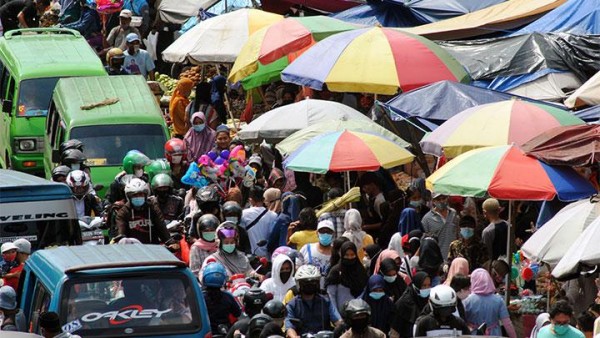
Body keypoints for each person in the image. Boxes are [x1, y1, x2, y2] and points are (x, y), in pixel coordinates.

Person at [285, 265, 343, 337]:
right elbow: (289, 328)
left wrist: (341, 328)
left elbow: (338, 321)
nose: (310, 285)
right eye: (306, 282)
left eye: (313, 282)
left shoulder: (325, 301)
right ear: (298, 284)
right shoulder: (292, 305)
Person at [463, 268, 517, 338]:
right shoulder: (498, 300)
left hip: (473, 334)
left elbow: (462, 321)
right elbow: (507, 323)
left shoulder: (467, 300)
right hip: (494, 334)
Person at [115, 178, 170, 244]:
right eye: (135, 195)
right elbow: (121, 232)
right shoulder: (123, 212)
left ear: (146, 195)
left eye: (141, 194)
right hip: (132, 250)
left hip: (153, 249)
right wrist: (121, 238)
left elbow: (162, 228)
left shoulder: (153, 209)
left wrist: (170, 242)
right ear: (129, 197)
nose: (138, 197)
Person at [325, 242, 368, 315]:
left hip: (359, 316)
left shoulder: (361, 271)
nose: (350, 258)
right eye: (346, 255)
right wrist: (337, 318)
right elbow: (331, 297)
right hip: (341, 316)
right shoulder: (336, 271)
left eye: (352, 255)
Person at [202, 262, 243, 334]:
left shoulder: (200, 297)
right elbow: (237, 313)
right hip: (225, 332)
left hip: (206, 332)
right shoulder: (228, 297)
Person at [390, 271, 431, 338]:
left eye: (429, 285)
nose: (427, 288)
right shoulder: (403, 303)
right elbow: (395, 331)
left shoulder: (429, 300)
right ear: (416, 285)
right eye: (424, 285)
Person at [241, 186, 277, 257]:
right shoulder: (274, 215)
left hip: (250, 257)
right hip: (268, 257)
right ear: (263, 199)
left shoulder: (244, 214)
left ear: (250, 200)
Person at [421, 193, 459, 261]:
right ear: (433, 201)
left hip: (454, 257)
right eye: (438, 199)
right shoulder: (427, 219)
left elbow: (458, 232)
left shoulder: (453, 213)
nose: (441, 201)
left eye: (443, 198)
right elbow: (425, 242)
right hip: (438, 259)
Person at [297, 220, 334, 287]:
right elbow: (297, 269)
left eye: (328, 231)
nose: (325, 234)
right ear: (317, 233)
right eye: (322, 231)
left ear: (333, 234)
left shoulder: (337, 252)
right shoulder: (306, 249)